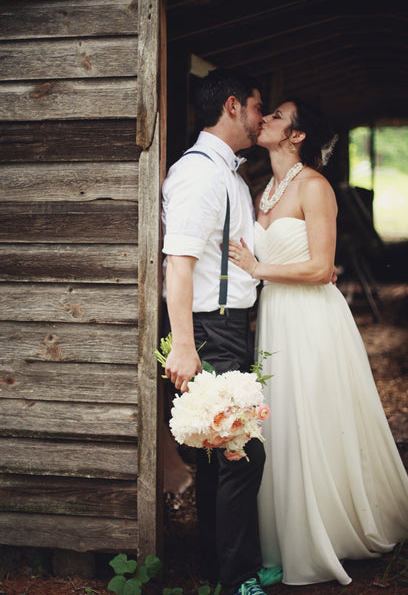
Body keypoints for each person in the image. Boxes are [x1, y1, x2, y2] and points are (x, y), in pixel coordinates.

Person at [228, 98, 408, 586]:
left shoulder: (314, 187)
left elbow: (321, 269)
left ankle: (330, 532)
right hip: (276, 315)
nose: (266, 120)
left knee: (312, 417)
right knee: (284, 422)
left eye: (276, 116)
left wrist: (258, 269)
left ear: (296, 136)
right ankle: (287, 535)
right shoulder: (267, 190)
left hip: (313, 319)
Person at [161, 68, 268, 595]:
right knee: (241, 452)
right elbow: (177, 264)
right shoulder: (199, 174)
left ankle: (217, 566)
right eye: (256, 107)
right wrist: (184, 343)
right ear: (232, 106)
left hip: (228, 327)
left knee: (218, 453)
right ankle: (237, 579)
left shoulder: (226, 172)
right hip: (209, 330)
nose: (260, 118)